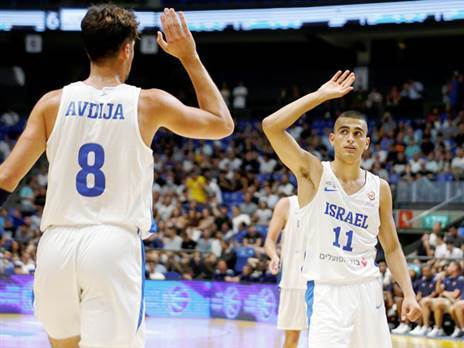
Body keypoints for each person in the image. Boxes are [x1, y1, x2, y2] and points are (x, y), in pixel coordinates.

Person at [0, 5, 233, 348]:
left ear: (88, 49)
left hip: (56, 244)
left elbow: (6, 177)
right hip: (112, 243)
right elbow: (222, 123)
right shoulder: (148, 103)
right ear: (128, 49)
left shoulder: (51, 103)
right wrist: (189, 57)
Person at [262, 70, 421, 348]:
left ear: (366, 143)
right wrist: (320, 96)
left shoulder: (379, 188)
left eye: (358, 133)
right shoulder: (313, 173)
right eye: (344, 132)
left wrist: (408, 293)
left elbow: (392, 248)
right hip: (326, 292)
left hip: (368, 290)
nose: (351, 138)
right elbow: (271, 126)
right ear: (333, 139)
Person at [265, 196, 307, 348]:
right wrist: (274, 257)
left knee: (324, 339)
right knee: (292, 340)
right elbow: (269, 240)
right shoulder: (287, 204)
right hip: (293, 281)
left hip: (321, 282)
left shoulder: (326, 202)